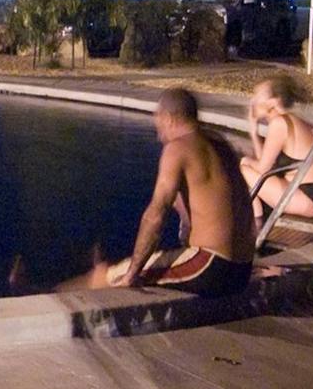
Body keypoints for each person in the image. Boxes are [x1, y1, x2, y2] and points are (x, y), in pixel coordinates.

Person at [62, 88, 255, 297]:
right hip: (242, 269)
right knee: (135, 263)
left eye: (158, 121)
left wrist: (132, 274)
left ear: (170, 118)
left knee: (109, 274)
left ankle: (50, 294)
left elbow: (156, 215)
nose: (158, 133)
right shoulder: (219, 144)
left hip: (211, 267)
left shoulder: (177, 148)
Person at [240, 75, 313, 221]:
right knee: (247, 167)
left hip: (310, 198)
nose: (252, 101)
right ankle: (256, 222)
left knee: (242, 169)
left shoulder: (280, 124)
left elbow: (262, 170)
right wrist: (254, 133)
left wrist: (245, 162)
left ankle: (256, 226)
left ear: (273, 102)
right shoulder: (291, 120)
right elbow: (266, 166)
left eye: (258, 96)